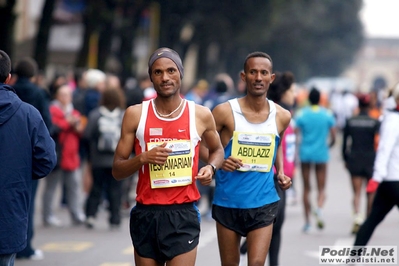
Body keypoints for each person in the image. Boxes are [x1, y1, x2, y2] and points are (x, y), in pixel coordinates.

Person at [112, 47, 224, 266]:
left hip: (182, 214)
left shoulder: (200, 114)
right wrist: (143, 158)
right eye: (158, 72)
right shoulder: (136, 115)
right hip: (146, 214)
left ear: (180, 74)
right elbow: (117, 169)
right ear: (151, 78)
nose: (165, 78)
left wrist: (210, 168)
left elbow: (217, 150)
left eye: (171, 70)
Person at [211, 52, 292, 266]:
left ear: (271, 78)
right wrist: (218, 162)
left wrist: (281, 171)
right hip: (228, 201)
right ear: (243, 76)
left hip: (263, 202)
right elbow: (201, 144)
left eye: (263, 73)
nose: (258, 77)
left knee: (256, 263)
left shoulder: (282, 115)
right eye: (253, 72)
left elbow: (277, 144)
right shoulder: (224, 112)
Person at [0, 50, 57, 266]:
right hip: (10, 208)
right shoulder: (29, 113)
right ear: (8, 78)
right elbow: (47, 160)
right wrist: (23, 172)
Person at [354, 83, 399, 246]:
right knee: (372, 219)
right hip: (393, 179)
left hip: (390, 181)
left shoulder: (392, 118)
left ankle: (354, 255)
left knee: (373, 219)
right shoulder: (393, 121)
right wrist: (377, 177)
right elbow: (384, 150)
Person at [42, 84, 86, 227]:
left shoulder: (74, 112)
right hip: (57, 155)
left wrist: (76, 125)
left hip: (72, 156)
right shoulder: (52, 110)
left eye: (67, 95)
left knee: (74, 186)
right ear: (57, 96)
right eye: (62, 95)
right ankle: (47, 215)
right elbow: (52, 127)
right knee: (51, 187)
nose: (65, 98)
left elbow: (81, 130)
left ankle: (76, 214)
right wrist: (68, 123)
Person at [295, 87, 336, 232]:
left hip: (305, 153)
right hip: (321, 154)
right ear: (320, 99)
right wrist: (328, 146)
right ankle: (319, 208)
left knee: (306, 188)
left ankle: (307, 223)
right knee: (321, 188)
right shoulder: (327, 114)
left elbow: (295, 133)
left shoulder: (301, 114)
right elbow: (333, 136)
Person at [84, 86, 125, 229]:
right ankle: (114, 218)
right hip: (117, 160)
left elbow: (87, 134)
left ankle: (90, 215)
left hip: (98, 160)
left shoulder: (96, 114)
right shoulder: (123, 115)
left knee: (96, 188)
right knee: (115, 190)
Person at [342, 93, 380, 234]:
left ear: (358, 104)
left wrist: (345, 159)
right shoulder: (374, 122)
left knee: (356, 193)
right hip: (370, 160)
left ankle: (357, 218)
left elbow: (345, 143)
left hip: (355, 159)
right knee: (370, 193)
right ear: (369, 104)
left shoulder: (351, 121)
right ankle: (368, 223)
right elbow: (379, 143)